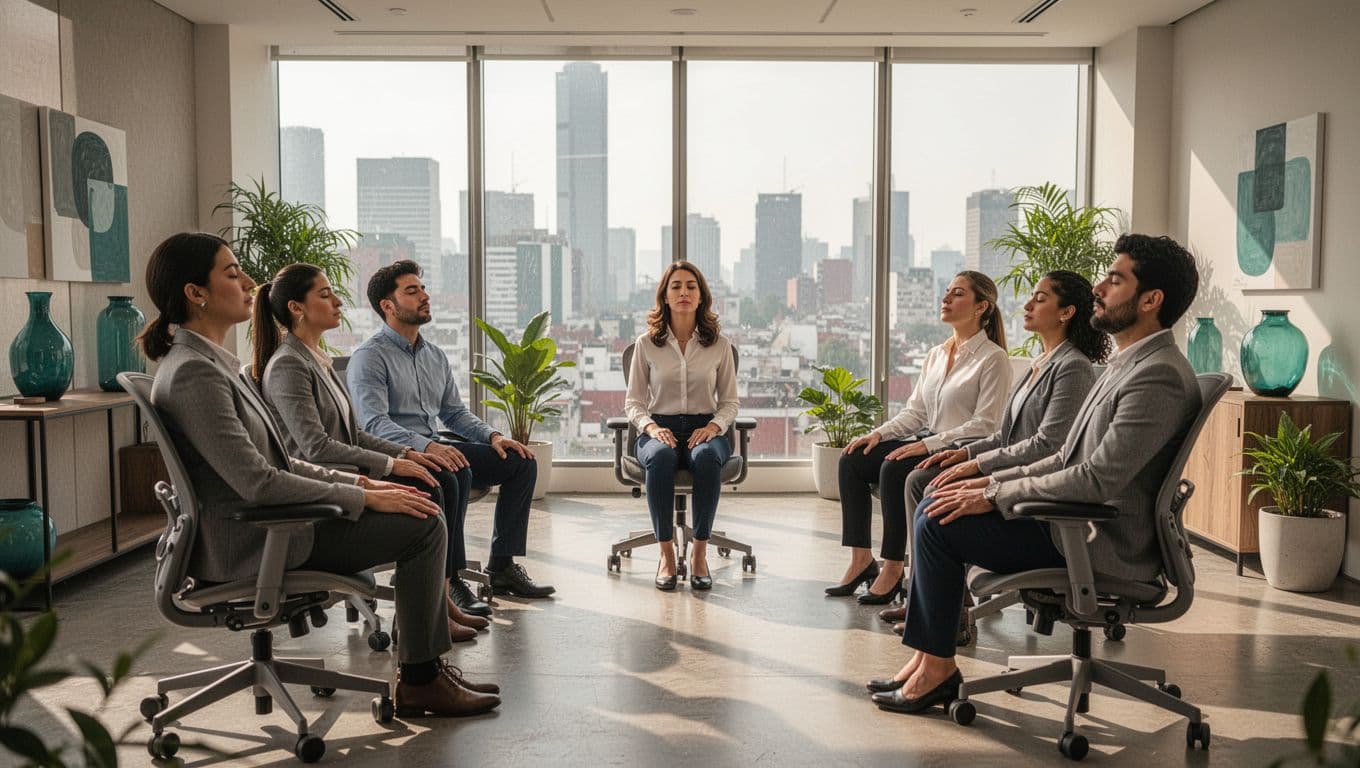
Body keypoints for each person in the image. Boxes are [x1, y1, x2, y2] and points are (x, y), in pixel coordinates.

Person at [141, 232, 498, 717]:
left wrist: (365, 482)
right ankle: (420, 679)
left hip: (269, 525)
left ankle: (423, 668)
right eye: (231, 273)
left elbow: (278, 463)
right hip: (258, 540)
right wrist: (365, 497)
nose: (248, 281)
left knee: (421, 509)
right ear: (195, 293)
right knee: (424, 526)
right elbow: (259, 482)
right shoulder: (194, 374)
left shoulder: (209, 366)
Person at [868, 234, 1202, 715]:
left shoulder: (1158, 374)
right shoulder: (1123, 365)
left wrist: (994, 492)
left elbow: (1096, 478)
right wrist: (985, 483)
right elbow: (1066, 453)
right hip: (1073, 523)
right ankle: (927, 661)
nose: (1100, 288)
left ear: (1151, 300)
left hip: (1095, 539)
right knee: (936, 507)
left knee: (939, 525)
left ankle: (936, 668)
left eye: (1115, 279)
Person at [252, 263, 490, 642]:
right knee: (436, 483)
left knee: (438, 472)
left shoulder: (317, 360)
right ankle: (425, 616)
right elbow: (315, 448)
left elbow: (355, 433)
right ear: (297, 308)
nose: (337, 300)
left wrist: (407, 456)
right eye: (325, 294)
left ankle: (439, 604)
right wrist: (394, 463)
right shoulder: (288, 366)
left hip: (348, 465)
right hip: (326, 482)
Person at [875, 270, 1110, 632]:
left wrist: (977, 466)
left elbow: (1047, 445)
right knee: (920, 480)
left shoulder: (1072, 368)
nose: (1028, 305)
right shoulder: (1038, 365)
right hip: (1015, 467)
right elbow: (1004, 433)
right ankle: (932, 600)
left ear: (1067, 312)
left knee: (929, 492)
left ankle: (945, 612)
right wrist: (963, 456)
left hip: (1033, 487)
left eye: (1041, 298)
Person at [348, 259, 555, 608]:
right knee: (456, 469)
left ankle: (502, 566)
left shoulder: (435, 355)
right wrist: (425, 446)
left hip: (436, 444)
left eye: (423, 288)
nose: (424, 296)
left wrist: (492, 437)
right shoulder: (370, 358)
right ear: (388, 306)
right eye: (412, 291)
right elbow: (373, 423)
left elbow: (454, 413)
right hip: (399, 455)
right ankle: (451, 578)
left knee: (520, 461)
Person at [827, 271, 1012, 604]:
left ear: (981, 306)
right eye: (946, 292)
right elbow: (915, 413)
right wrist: (877, 434)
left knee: (895, 469)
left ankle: (894, 568)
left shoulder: (993, 359)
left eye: (957, 294)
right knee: (853, 459)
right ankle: (861, 561)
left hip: (961, 454)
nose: (946, 299)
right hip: (930, 442)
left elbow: (987, 425)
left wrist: (927, 444)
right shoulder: (936, 355)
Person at [624, 261, 740, 591]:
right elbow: (633, 402)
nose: (684, 292)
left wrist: (715, 427)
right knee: (659, 458)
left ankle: (700, 554)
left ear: (701, 296)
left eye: (691, 286)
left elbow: (730, 401)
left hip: (707, 428)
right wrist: (650, 428)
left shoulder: (719, 344)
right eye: (676, 286)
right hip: (658, 427)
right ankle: (666, 556)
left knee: (705, 458)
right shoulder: (646, 344)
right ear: (665, 296)